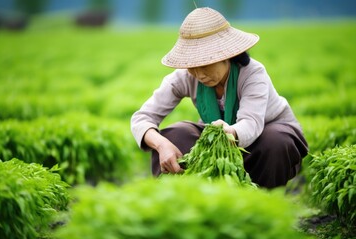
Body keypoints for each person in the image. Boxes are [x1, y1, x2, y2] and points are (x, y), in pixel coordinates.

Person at [130, 7, 308, 189]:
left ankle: (260, 203)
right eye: (192, 65)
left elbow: (251, 123)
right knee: (175, 135)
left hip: (260, 137)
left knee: (275, 142)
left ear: (227, 56)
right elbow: (142, 118)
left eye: (205, 64)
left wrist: (230, 132)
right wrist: (161, 145)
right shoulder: (186, 76)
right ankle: (187, 200)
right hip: (219, 136)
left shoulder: (253, 74)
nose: (198, 73)